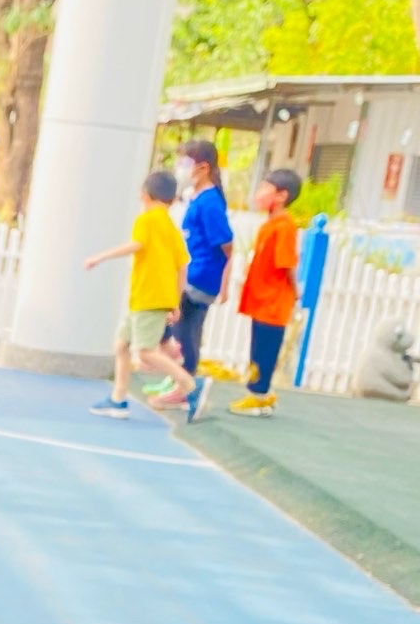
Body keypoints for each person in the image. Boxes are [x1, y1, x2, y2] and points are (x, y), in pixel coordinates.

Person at [85, 170, 206, 420]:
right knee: (122, 344)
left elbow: (136, 244)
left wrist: (100, 257)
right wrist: (175, 301)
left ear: (144, 195)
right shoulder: (171, 227)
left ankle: (190, 385)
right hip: (149, 299)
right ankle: (118, 398)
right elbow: (182, 266)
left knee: (145, 352)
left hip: (146, 299)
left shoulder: (147, 220)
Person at [229, 167, 302, 415]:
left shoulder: (284, 226)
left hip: (273, 302)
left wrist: (296, 292)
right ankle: (262, 393)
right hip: (261, 299)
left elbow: (287, 264)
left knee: (265, 351)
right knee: (258, 347)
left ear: (282, 195)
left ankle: (258, 394)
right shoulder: (269, 224)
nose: (258, 193)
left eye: (264, 188)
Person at [169, 135, 235, 389]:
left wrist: (225, 285)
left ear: (203, 167)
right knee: (179, 331)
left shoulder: (210, 203)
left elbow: (227, 246)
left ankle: (186, 385)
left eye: (185, 163)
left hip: (200, 275)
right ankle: (178, 381)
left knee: (185, 332)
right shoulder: (195, 197)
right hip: (190, 271)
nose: (181, 169)